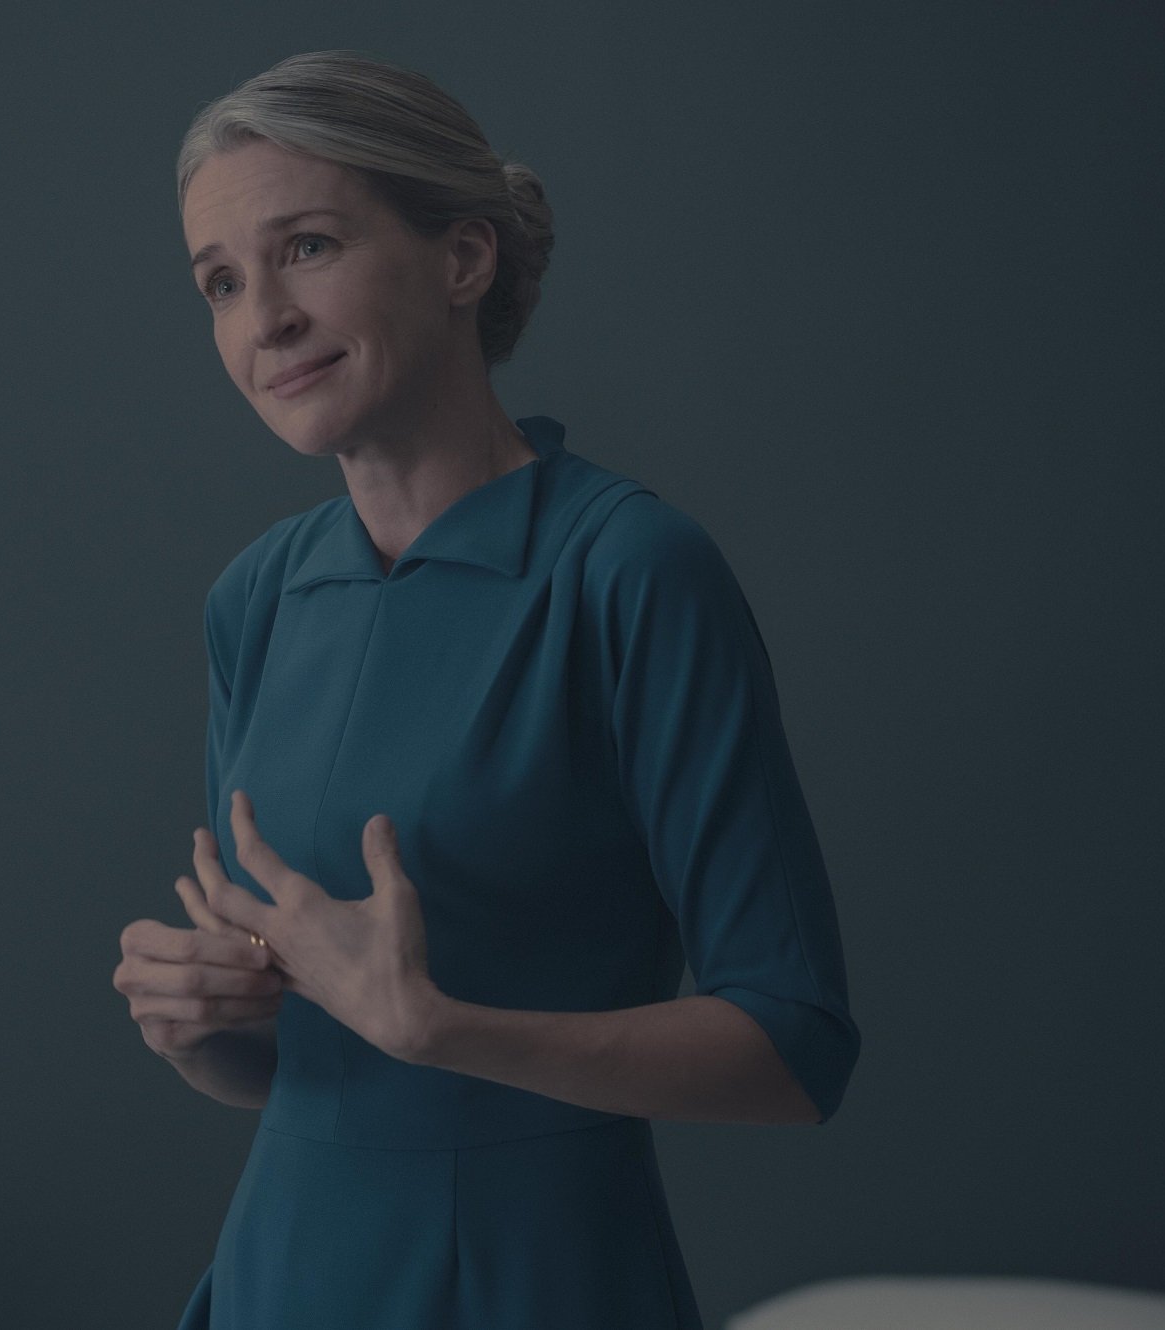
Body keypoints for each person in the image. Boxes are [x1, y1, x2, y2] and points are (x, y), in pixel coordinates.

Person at [111, 48, 860, 1330]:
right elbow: (299, 1058)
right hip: (280, 1275)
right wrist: (199, 1025)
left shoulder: (627, 571)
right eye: (221, 282)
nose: (262, 318)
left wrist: (447, 1027)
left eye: (305, 248)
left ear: (462, 258)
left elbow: (794, 1046)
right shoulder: (256, 597)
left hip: (530, 1278)